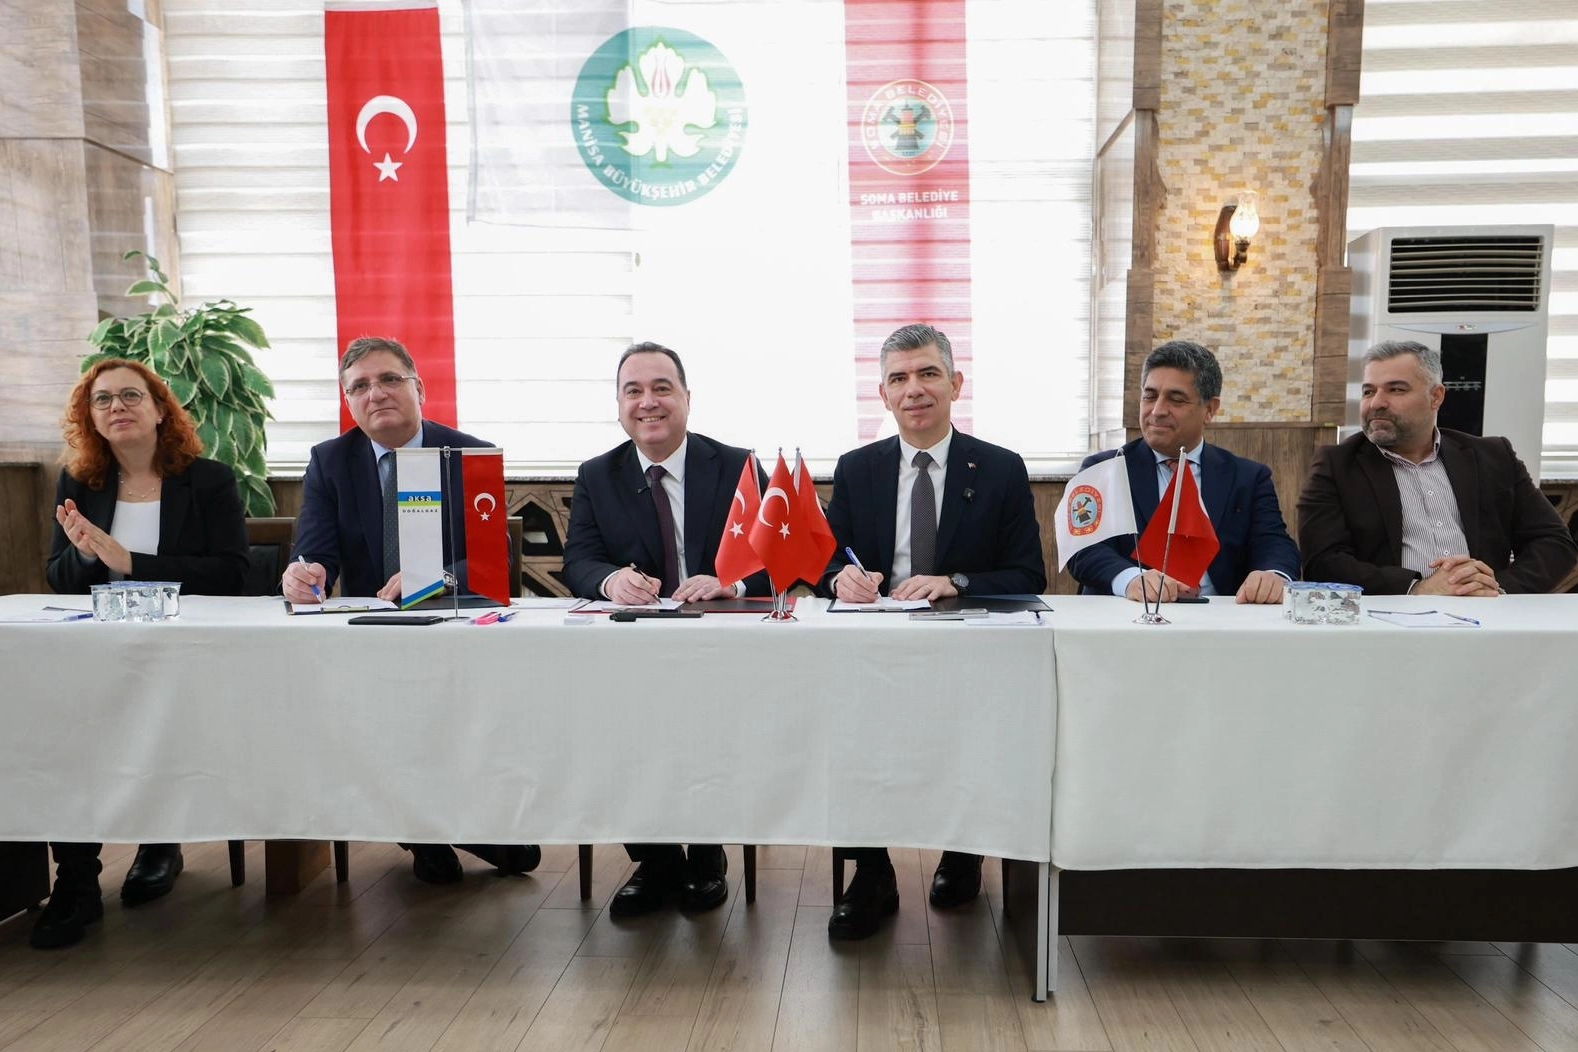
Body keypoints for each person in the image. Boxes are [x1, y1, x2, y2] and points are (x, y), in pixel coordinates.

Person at [282, 335, 539, 884]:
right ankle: (427, 833)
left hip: (455, 634)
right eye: (360, 386)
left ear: (419, 388)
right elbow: (315, 551)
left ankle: (443, 825)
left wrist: (433, 580)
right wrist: (302, 575)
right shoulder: (330, 461)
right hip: (372, 639)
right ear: (349, 402)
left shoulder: (468, 453)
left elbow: (492, 562)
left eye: (389, 379)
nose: (375, 393)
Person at [819, 323, 1046, 940]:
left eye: (927, 374)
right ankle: (871, 873)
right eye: (898, 378)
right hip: (876, 646)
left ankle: (962, 851)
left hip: (963, 646)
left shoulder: (999, 468)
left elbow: (1028, 574)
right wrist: (841, 579)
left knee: (967, 733)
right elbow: (825, 561)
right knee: (852, 732)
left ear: (955, 384)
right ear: (883, 395)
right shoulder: (858, 468)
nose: (913, 389)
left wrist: (954, 581)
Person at [40, 357, 249, 948]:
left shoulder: (208, 480)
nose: (117, 407)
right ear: (91, 419)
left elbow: (233, 573)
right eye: (102, 400)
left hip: (187, 652)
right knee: (57, 721)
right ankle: (76, 878)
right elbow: (58, 577)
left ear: (160, 410)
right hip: (100, 648)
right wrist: (86, 555)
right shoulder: (79, 483)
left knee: (147, 719)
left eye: (131, 395)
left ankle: (160, 843)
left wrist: (131, 563)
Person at [562, 341, 768, 917]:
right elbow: (579, 560)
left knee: (707, 727)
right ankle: (654, 859)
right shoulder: (597, 474)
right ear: (619, 405)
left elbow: (778, 558)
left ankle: (705, 854)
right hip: (634, 651)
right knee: (612, 725)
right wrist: (611, 581)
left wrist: (731, 583)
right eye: (633, 391)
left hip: (720, 649)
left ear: (686, 398)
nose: (647, 402)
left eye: (661, 389)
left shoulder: (738, 466)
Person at [1298, 339, 1576, 595]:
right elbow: (1322, 562)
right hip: (1392, 618)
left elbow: (1553, 542)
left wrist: (1495, 588)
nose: (1377, 403)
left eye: (1396, 389)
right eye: (1368, 391)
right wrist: (1417, 588)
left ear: (1436, 397)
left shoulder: (1493, 456)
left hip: (1488, 613)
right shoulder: (1337, 465)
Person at [1066, 340, 1300, 603]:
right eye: (1150, 396)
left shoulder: (1248, 478)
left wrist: (1272, 575)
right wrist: (1130, 579)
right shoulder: (1102, 470)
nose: (1157, 411)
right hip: (1129, 613)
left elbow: (1274, 543)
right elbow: (1083, 548)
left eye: (1176, 400)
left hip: (1218, 615)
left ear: (1210, 409)